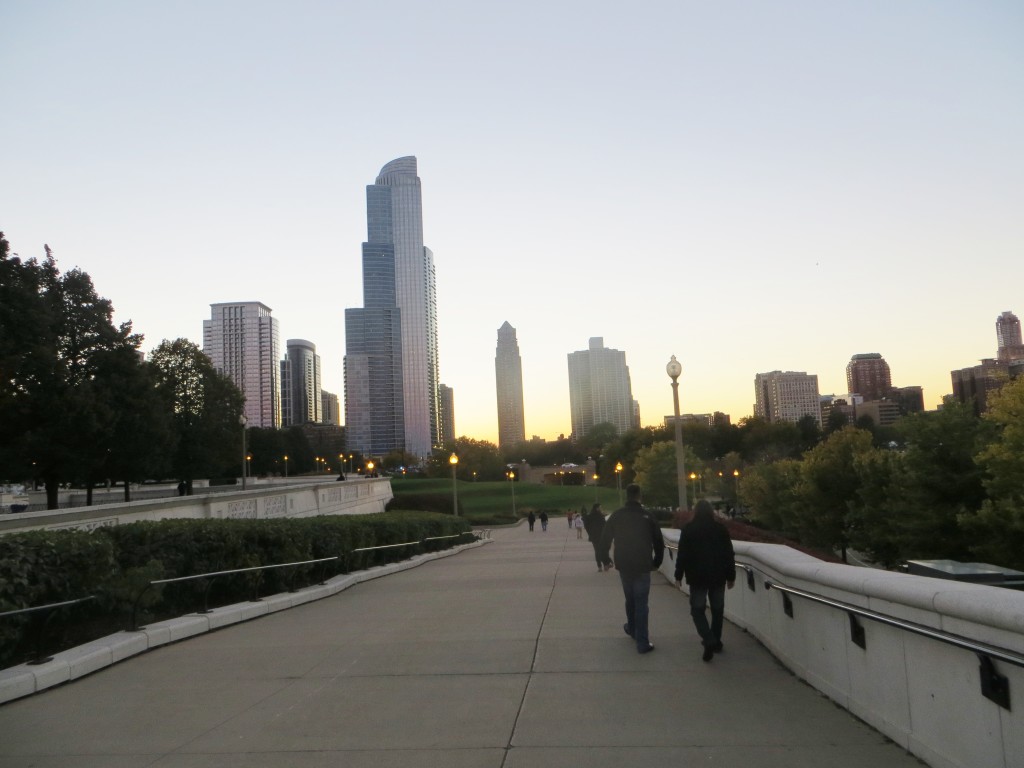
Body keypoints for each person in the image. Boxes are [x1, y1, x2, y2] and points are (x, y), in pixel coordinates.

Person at [598, 484, 664, 654]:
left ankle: (633, 628)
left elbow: (605, 538)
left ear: (626, 496)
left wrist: (605, 559)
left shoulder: (617, 515)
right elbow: (658, 541)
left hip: (624, 563)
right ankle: (642, 641)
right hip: (642, 564)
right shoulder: (647, 516)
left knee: (630, 599)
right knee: (641, 602)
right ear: (639, 496)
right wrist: (657, 561)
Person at [674, 499, 736, 662]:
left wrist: (678, 575)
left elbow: (683, 554)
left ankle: (708, 638)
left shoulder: (689, 529)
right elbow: (728, 554)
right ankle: (716, 641)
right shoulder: (720, 529)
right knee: (717, 609)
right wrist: (731, 576)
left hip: (697, 576)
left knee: (697, 610)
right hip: (718, 575)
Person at [584, 503, 612, 571]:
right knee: (604, 550)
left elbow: (586, 525)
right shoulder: (600, 516)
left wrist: (590, 533)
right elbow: (605, 526)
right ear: (597, 508)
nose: (601, 509)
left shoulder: (590, 516)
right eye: (600, 507)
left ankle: (599, 566)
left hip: (594, 536)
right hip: (601, 536)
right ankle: (606, 564)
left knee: (597, 551)